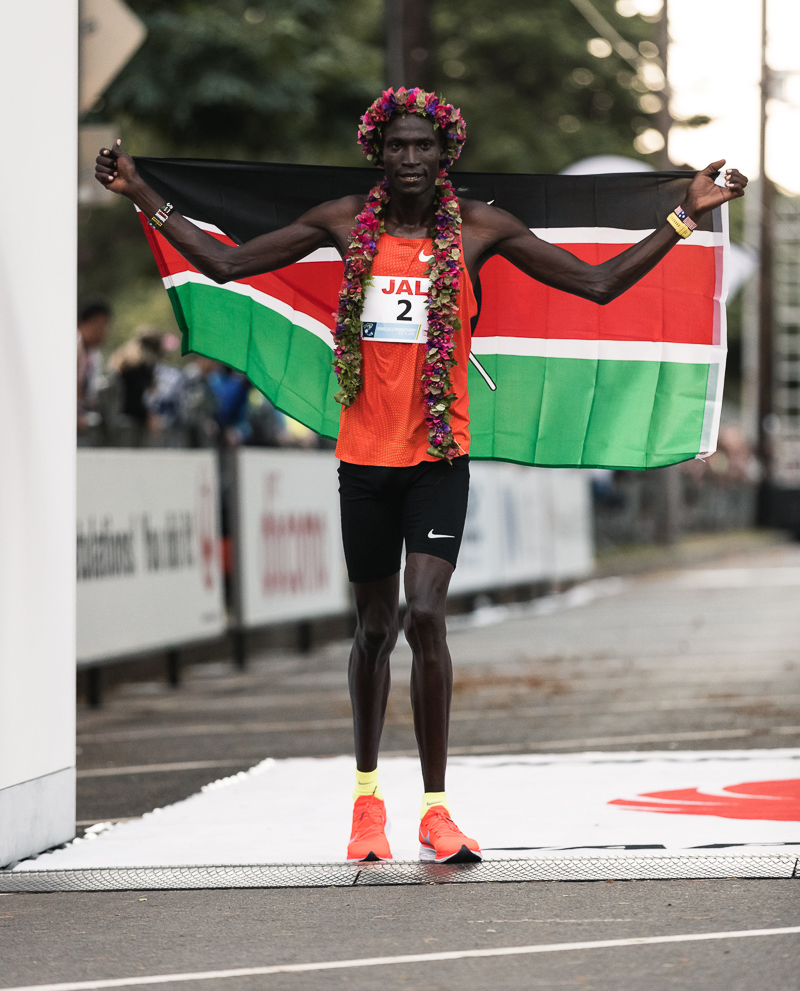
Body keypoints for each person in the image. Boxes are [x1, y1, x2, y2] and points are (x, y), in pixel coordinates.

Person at [95, 90, 747, 863]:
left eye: (424, 147)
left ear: (446, 156)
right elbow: (228, 263)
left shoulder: (480, 228)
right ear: (379, 153)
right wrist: (141, 192)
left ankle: (436, 811)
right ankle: (367, 802)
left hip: (439, 459)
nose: (411, 159)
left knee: (426, 615)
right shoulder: (344, 222)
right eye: (398, 146)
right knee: (374, 629)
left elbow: (596, 284)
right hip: (365, 462)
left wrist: (684, 217)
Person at [77, 297, 111, 439]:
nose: (102, 331)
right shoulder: (73, 346)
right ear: (81, 324)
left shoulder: (94, 354)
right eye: (98, 324)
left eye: (106, 325)